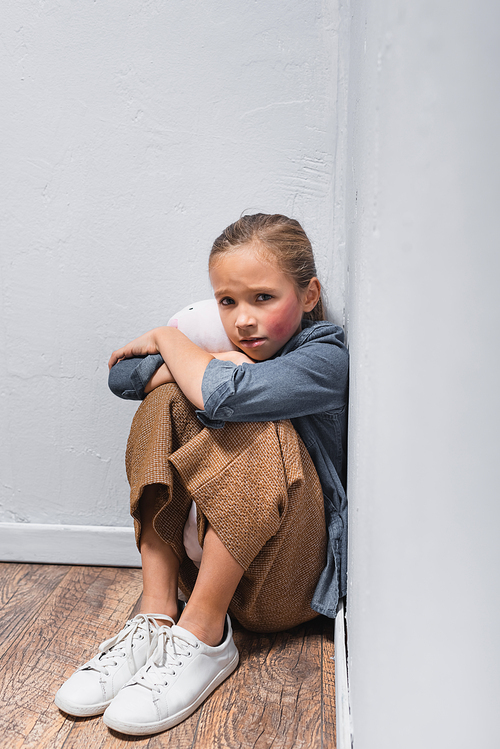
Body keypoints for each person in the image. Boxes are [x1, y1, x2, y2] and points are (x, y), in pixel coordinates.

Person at [54, 213, 348, 737]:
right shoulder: (229, 337)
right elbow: (126, 378)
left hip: (287, 586)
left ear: (308, 295)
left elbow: (225, 395)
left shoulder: (325, 357)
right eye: (227, 301)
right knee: (167, 397)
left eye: (264, 298)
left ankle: (205, 635)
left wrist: (172, 340)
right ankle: (158, 615)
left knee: (256, 418)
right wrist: (213, 357)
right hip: (214, 565)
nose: (243, 320)